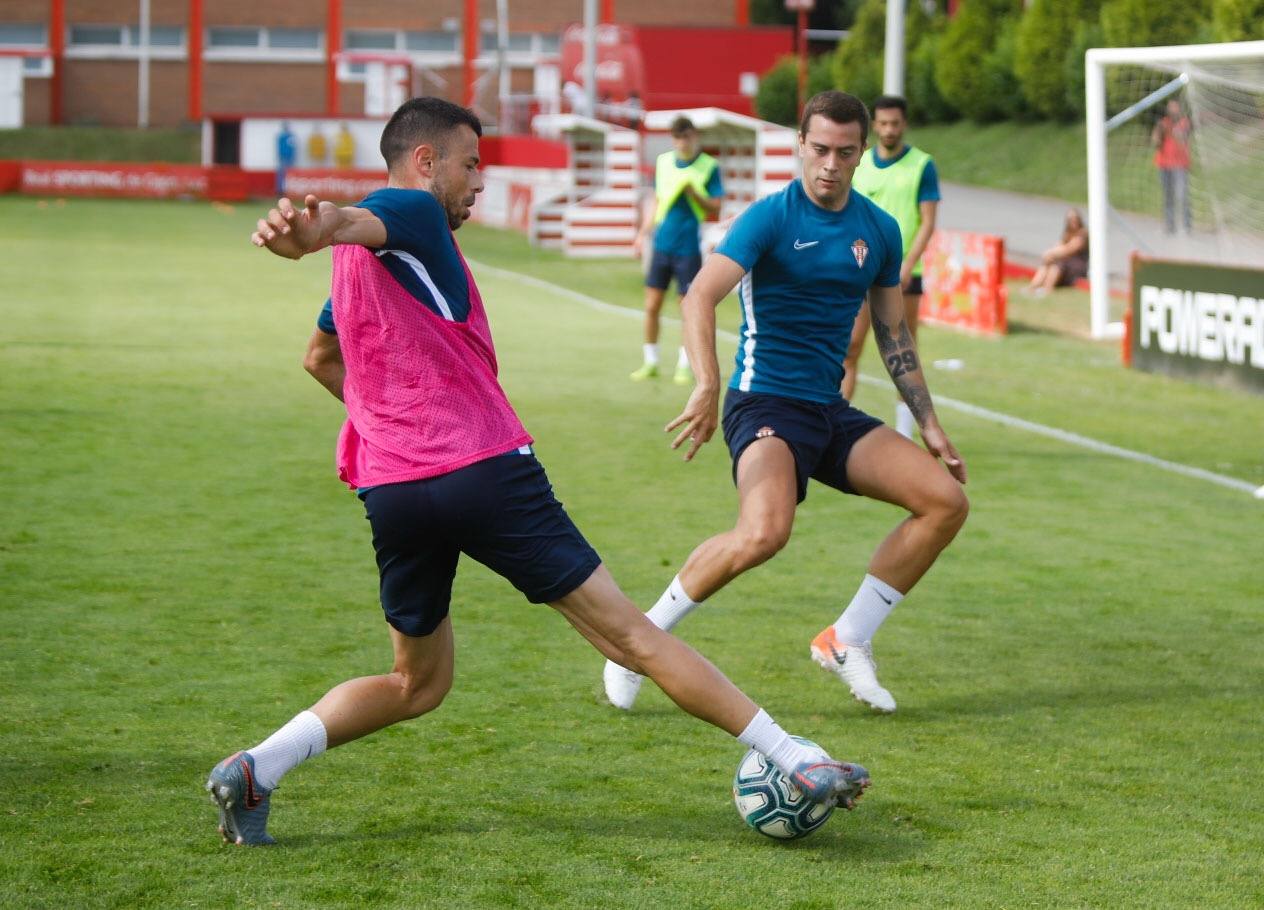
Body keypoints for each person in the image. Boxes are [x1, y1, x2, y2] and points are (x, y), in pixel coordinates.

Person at [206, 97, 870, 846]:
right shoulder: (414, 214)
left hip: (393, 492)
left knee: (416, 683)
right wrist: (313, 230)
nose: (478, 180)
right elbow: (351, 219)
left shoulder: (367, 267)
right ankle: (797, 758)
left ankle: (255, 769)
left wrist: (386, 426)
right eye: (469, 163)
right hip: (483, 469)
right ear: (425, 162)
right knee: (631, 637)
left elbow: (320, 357)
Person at [603, 91, 968, 717]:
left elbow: (892, 333)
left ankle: (847, 638)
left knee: (944, 502)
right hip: (764, 402)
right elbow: (697, 297)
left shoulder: (879, 229)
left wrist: (930, 425)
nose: (830, 162)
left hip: (828, 411)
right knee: (765, 532)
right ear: (801, 145)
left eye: (844, 152)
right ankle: (634, 642)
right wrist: (706, 385)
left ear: (860, 156)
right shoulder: (770, 217)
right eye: (820, 148)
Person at [840, 95, 940, 439]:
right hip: (861, 271)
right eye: (882, 123)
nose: (888, 129)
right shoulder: (860, 162)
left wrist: (908, 263)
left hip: (903, 275)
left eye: (894, 123)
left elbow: (927, 222)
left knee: (903, 350)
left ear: (904, 124)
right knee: (849, 345)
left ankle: (905, 431)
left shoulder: (921, 165)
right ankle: (832, 418)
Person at [630, 116, 723, 385]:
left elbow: (716, 207)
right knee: (651, 306)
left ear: (695, 137)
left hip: (688, 247)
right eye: (678, 137)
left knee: (687, 309)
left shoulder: (709, 166)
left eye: (688, 136)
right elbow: (657, 201)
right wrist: (641, 234)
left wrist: (696, 195)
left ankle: (685, 364)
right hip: (662, 244)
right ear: (673, 139)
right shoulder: (664, 163)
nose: (683, 142)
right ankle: (651, 361)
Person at [1027, 208, 1089, 297]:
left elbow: (1069, 249)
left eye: (1075, 218)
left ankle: (1048, 289)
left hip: (1077, 266)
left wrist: (1050, 253)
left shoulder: (1082, 234)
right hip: (1067, 263)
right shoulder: (1067, 233)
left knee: (1057, 264)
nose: (1073, 221)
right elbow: (1059, 246)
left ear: (1079, 220)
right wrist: (1050, 254)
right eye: (1070, 219)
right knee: (1049, 261)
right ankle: (1033, 286)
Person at [1152, 98, 1192, 235]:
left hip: (1180, 165)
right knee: (1167, 196)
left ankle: (1186, 226)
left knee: (1182, 195)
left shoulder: (1184, 123)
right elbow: (1156, 143)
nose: (1173, 110)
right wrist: (1159, 132)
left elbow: (1182, 139)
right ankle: (1170, 226)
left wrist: (1171, 130)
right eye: (1171, 107)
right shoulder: (1163, 123)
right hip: (1164, 164)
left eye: (1176, 107)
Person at [274, 121, 297, 195]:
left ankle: (289, 190)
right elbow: (279, 147)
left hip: (289, 157)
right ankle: (280, 190)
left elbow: (293, 147)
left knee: (289, 175)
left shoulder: (290, 136)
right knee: (281, 174)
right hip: (283, 157)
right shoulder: (281, 136)